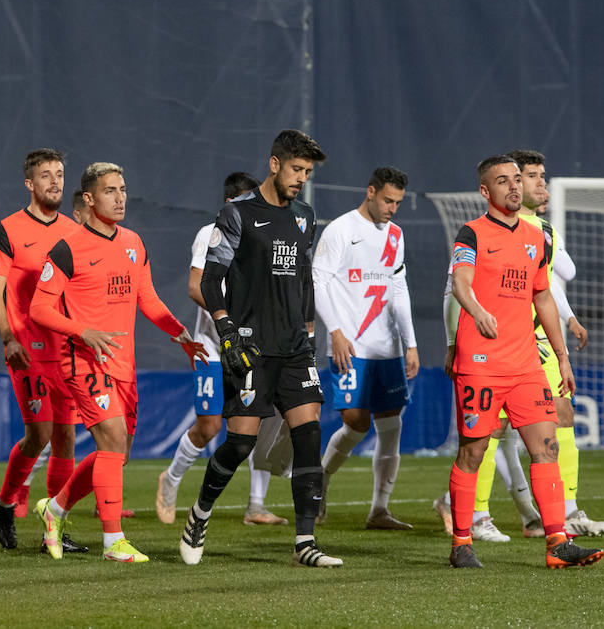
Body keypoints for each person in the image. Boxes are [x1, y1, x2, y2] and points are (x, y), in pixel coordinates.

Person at [179, 129, 342, 568]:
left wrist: (309, 335)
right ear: (274, 164)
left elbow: (304, 280)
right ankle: (199, 514)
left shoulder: (305, 216)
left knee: (309, 434)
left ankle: (304, 542)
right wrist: (226, 328)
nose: (301, 179)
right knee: (240, 444)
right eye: (295, 169)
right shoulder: (237, 215)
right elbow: (211, 280)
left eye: (307, 172)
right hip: (250, 348)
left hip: (293, 348)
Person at [29, 162, 205, 563]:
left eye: (123, 189)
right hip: (82, 359)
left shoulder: (134, 243)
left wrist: (180, 334)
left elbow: (148, 298)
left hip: (123, 364)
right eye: (110, 190)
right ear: (89, 198)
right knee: (110, 439)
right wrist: (81, 331)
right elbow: (38, 308)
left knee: (118, 452)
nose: (121, 197)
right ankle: (114, 542)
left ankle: (53, 509)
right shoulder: (67, 248)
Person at [444, 156, 602, 569]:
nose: (514, 187)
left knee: (546, 448)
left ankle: (557, 543)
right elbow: (459, 282)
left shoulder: (537, 238)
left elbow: (543, 296)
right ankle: (462, 542)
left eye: (517, 179)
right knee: (473, 453)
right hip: (480, 363)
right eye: (503, 181)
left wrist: (562, 357)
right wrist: (476, 311)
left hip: (527, 365)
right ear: (485, 191)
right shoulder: (472, 234)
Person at [157, 171, 288, 527]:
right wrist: (231, 318)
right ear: (231, 203)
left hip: (253, 348)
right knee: (209, 426)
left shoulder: (262, 233)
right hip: (213, 350)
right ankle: (169, 480)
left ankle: (256, 506)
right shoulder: (210, 233)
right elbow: (195, 286)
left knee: (256, 421)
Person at [0, 149, 88, 553]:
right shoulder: (8, 230)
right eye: (46, 176)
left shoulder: (74, 229)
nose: (55, 182)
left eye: (60, 174)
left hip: (66, 350)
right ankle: (6, 502)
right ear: (30, 183)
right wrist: (8, 337)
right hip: (27, 349)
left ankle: (54, 531)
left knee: (66, 438)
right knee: (39, 435)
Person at [313, 166, 419, 531]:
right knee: (355, 424)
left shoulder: (396, 234)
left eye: (399, 203)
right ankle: (321, 480)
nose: (392, 208)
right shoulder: (341, 230)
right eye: (388, 200)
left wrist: (411, 343)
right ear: (371, 191)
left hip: (387, 347)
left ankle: (379, 509)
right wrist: (336, 332)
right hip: (351, 347)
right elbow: (318, 281)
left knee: (391, 425)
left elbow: (399, 288)